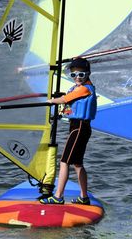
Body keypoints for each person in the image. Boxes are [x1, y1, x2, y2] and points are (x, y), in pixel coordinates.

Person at [40, 57, 97, 205]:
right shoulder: (77, 88)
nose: (77, 78)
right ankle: (84, 197)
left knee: (64, 161)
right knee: (77, 164)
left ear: (88, 74)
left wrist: (51, 101)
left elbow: (65, 100)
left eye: (81, 75)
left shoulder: (85, 88)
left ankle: (58, 197)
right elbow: (68, 101)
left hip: (79, 128)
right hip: (77, 127)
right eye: (73, 75)